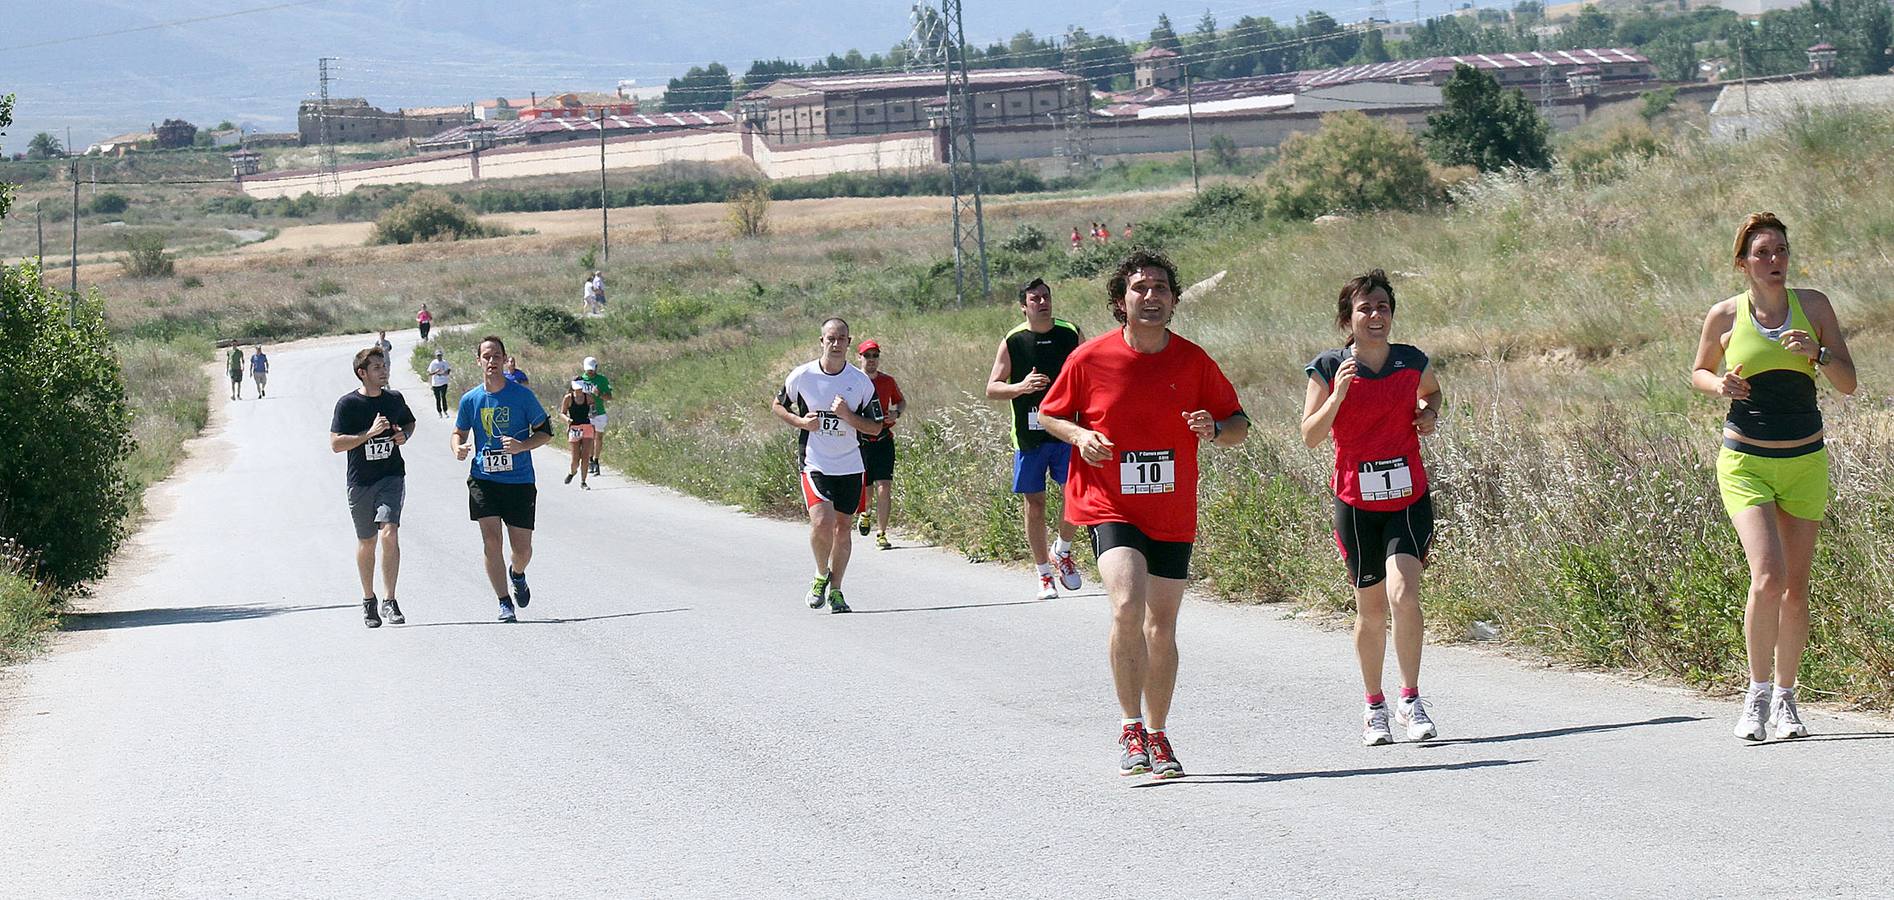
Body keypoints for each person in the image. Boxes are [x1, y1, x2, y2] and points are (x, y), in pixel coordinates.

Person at [1037, 250, 1248, 780]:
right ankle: (1130, 725)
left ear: (1174, 301)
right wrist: (1081, 434)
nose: (1150, 296)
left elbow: (1238, 423)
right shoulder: (1090, 358)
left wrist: (1215, 430)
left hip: (1171, 508)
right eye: (1140, 288)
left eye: (1160, 288)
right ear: (1120, 301)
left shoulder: (1194, 361)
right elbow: (1049, 414)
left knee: (1163, 625)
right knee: (1128, 604)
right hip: (1110, 502)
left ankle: (1157, 731)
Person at [1690, 213, 1857, 741]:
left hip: (1806, 460)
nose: (1774, 261)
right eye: (1762, 253)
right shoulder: (1724, 315)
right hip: (1746, 461)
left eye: (1781, 250)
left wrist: (1819, 353)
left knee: (1796, 586)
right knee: (1768, 576)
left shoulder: (1815, 307)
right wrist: (1720, 387)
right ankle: (1755, 695)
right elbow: (1698, 371)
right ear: (1743, 263)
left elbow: (1849, 383)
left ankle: (1787, 699)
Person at [1299, 269, 1443, 746]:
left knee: (1405, 595)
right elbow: (1310, 435)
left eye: (1382, 307)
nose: (1375, 315)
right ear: (1349, 317)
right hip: (1357, 502)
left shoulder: (1410, 360)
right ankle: (1373, 704)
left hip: (1408, 496)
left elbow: (1432, 392)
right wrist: (1339, 393)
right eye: (1365, 308)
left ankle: (1411, 698)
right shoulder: (1328, 365)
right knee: (1372, 608)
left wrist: (1428, 413)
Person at [771, 317, 884, 614]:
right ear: (821, 341)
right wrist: (800, 422)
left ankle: (837, 591)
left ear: (849, 343)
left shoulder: (860, 382)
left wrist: (847, 415)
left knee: (843, 528)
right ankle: (821, 574)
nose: (836, 344)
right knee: (822, 523)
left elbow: (876, 427)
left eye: (842, 339)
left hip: (850, 464)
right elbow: (777, 405)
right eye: (830, 339)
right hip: (815, 461)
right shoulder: (803, 376)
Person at [985, 278, 1085, 601]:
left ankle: (1063, 550)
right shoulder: (1013, 340)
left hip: (1065, 430)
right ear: (1024, 306)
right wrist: (1022, 387)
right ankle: (1044, 574)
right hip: (1029, 436)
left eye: (1046, 297)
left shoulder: (1070, 332)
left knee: (1075, 495)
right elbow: (992, 388)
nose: (1042, 302)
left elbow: (1093, 371)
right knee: (1036, 504)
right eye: (1035, 298)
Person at [454, 335, 554, 623]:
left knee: (521, 550)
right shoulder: (471, 399)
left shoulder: (522, 396)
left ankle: (517, 574)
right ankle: (503, 602)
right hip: (483, 478)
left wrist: (523, 446)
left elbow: (545, 432)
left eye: (496, 356)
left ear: (504, 359)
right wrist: (458, 447)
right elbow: (458, 432)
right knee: (491, 541)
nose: (491, 361)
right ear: (478, 361)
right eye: (486, 356)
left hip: (519, 480)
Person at [329, 346, 417, 628]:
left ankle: (390, 600)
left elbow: (409, 422)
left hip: (391, 476)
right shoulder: (348, 405)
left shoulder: (394, 399)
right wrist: (369, 434)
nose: (384, 370)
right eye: (377, 367)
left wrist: (404, 435)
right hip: (360, 482)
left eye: (384, 365)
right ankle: (369, 600)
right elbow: (335, 444)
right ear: (362, 373)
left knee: (389, 533)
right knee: (367, 541)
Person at [854, 339, 905, 551]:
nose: (872, 360)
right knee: (867, 488)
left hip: (884, 439)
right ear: (860, 358)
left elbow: (901, 401)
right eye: (867, 356)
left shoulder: (887, 381)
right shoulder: (853, 380)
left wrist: (896, 412)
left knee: (884, 487)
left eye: (875, 356)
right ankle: (865, 513)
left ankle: (882, 533)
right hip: (861, 441)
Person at [579, 356, 613, 477]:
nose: (590, 372)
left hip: (599, 412)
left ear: (596, 368)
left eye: (592, 369)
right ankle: (591, 460)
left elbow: (609, 397)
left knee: (598, 437)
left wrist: (599, 394)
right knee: (589, 437)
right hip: (586, 413)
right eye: (588, 370)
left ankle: (596, 460)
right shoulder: (580, 380)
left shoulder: (602, 380)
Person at [560, 377, 595, 490]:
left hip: (587, 427)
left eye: (580, 388)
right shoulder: (568, 398)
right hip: (574, 428)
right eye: (576, 389)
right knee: (575, 458)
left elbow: (594, 410)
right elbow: (562, 413)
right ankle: (572, 472)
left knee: (585, 456)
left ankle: (583, 482)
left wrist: (593, 413)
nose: (578, 391)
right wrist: (567, 420)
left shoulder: (588, 397)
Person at [426, 349, 453, 418]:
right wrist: (435, 372)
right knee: (438, 398)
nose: (439, 357)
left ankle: (445, 411)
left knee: (443, 397)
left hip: (444, 382)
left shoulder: (445, 362)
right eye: (438, 356)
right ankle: (439, 412)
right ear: (436, 356)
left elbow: (448, 370)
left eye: (440, 355)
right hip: (436, 383)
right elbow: (429, 373)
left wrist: (445, 373)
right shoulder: (433, 363)